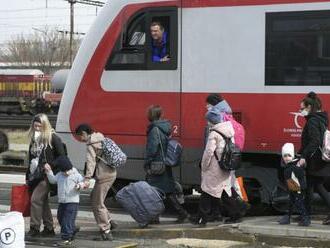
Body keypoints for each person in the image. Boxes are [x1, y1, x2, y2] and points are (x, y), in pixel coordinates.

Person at [191, 109, 236, 226]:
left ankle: (202, 219)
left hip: (214, 168)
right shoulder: (229, 131)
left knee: (206, 191)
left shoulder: (214, 134)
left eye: (208, 120)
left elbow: (208, 152)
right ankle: (235, 214)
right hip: (225, 166)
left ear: (211, 121)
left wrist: (204, 166)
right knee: (224, 192)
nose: (207, 123)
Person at [144, 105, 189, 223]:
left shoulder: (154, 129)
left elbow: (152, 149)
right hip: (165, 163)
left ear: (151, 115)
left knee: (154, 191)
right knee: (167, 190)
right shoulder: (165, 127)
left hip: (156, 165)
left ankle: (155, 217)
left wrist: (147, 162)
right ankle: (181, 213)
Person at [26, 113, 66, 237]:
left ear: (45, 126)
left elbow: (62, 156)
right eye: (35, 126)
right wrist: (28, 176)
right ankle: (49, 227)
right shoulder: (34, 139)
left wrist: (51, 165)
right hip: (35, 174)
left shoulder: (53, 137)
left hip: (48, 175)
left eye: (40, 126)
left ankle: (34, 227)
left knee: (36, 200)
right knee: (42, 201)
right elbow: (31, 158)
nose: (37, 129)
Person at [75, 124, 117, 241]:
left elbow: (91, 162)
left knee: (97, 203)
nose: (80, 139)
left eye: (80, 136)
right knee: (94, 196)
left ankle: (106, 231)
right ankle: (109, 221)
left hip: (104, 175)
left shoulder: (91, 144)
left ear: (84, 133)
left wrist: (87, 178)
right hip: (111, 172)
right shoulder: (100, 137)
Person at [297, 92, 330, 224]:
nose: (300, 111)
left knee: (317, 187)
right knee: (312, 187)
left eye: (301, 108)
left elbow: (315, 141)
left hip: (315, 161)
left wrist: (304, 156)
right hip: (318, 160)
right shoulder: (320, 119)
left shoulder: (312, 121)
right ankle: (306, 214)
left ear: (309, 107)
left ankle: (306, 215)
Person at [44, 156, 84, 246]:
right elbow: (53, 180)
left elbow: (83, 182)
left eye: (67, 171)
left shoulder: (76, 175)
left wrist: (79, 186)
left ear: (71, 168)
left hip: (72, 202)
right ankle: (72, 229)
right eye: (64, 171)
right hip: (62, 201)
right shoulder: (60, 174)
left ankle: (66, 238)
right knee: (60, 217)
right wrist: (49, 172)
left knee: (67, 220)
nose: (66, 173)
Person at [278, 143, 310, 226]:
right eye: (285, 156)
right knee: (290, 203)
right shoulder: (288, 166)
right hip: (292, 187)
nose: (287, 158)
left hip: (298, 188)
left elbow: (301, 176)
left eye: (289, 155)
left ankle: (305, 219)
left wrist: (298, 168)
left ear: (292, 155)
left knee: (299, 203)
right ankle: (287, 218)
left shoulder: (295, 165)